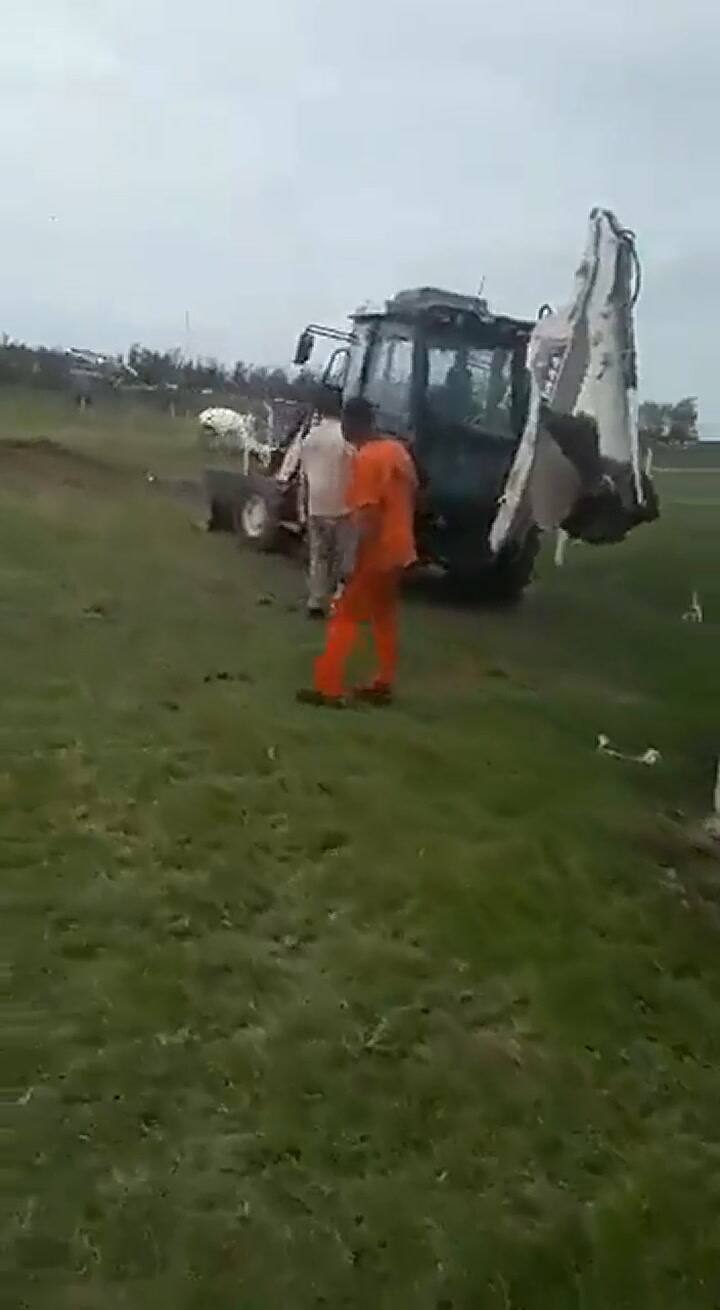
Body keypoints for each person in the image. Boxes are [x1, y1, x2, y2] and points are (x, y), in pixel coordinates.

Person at [297, 397, 418, 707]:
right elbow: (414, 492)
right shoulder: (397, 451)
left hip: (377, 552)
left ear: (353, 423)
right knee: (383, 616)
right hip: (401, 547)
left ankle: (329, 689)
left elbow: (368, 515)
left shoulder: (367, 459)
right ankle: (383, 682)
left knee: (344, 615)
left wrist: (355, 561)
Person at [300, 390, 355, 617]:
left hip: (316, 503)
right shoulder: (345, 438)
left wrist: (302, 508)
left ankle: (315, 600)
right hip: (342, 505)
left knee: (319, 555)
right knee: (344, 556)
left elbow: (305, 477)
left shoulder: (310, 437)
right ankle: (338, 601)